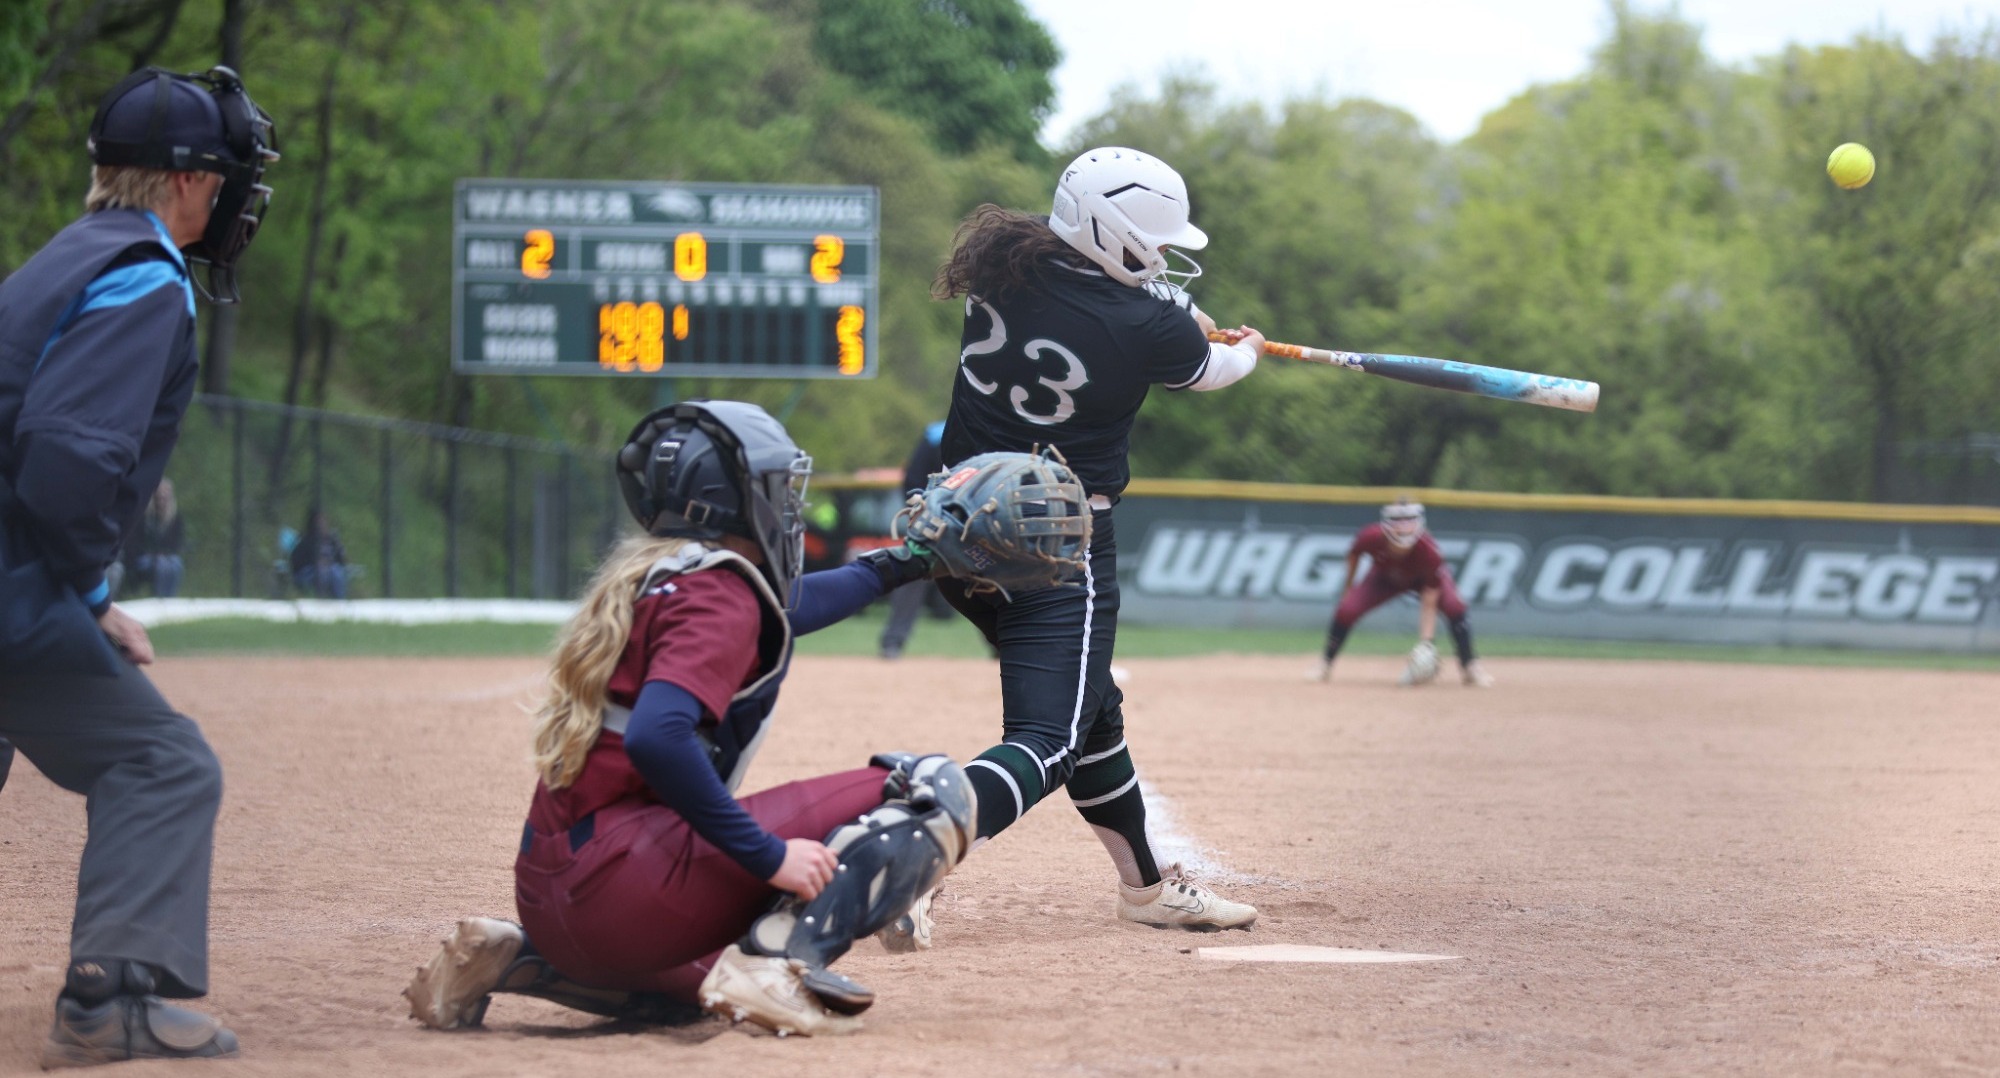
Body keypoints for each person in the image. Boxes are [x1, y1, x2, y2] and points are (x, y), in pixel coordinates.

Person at [403, 401, 977, 1038]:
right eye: (776, 488)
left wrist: (911, 560)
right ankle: (778, 967)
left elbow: (791, 605)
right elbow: (658, 735)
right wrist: (769, 857)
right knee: (933, 790)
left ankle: (518, 959)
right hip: (623, 889)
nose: (787, 504)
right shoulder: (719, 595)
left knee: (706, 989)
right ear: (732, 501)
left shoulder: (664, 576)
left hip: (556, 902)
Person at [0, 65, 276, 1067]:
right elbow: (66, 467)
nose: (241, 194)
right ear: (184, 182)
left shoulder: (69, 254)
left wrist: (87, 599)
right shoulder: (142, 275)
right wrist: (88, 592)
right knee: (161, 763)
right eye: (230, 174)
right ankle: (107, 1003)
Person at [929, 147, 1265, 930]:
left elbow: (1115, 306)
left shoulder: (1002, 262)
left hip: (952, 528)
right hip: (1057, 547)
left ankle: (1145, 889)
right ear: (1111, 233)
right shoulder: (1146, 323)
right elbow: (1209, 368)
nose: (1162, 252)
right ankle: (908, 848)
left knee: (1093, 710)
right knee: (1050, 737)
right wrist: (1244, 348)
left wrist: (1181, 318)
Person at [1311, 500, 1494, 687]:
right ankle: (1325, 664)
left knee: (1455, 606)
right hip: (1384, 577)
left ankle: (1471, 666)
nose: (1404, 526)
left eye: (1409, 520)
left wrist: (1426, 643)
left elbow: (1429, 599)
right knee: (1347, 609)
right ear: (1386, 523)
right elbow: (1354, 555)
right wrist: (1348, 588)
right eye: (1398, 520)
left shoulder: (1429, 551)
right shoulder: (1371, 536)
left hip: (1422, 581)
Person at [878, 420, 946, 659]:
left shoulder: (981, 428)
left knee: (992, 580)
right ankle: (893, 641)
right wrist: (922, 510)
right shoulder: (937, 435)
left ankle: (1002, 646)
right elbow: (914, 480)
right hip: (935, 516)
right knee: (913, 572)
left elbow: (912, 480)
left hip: (973, 518)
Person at [125, 479, 186, 597]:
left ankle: (171, 598)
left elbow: (177, 543)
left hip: (167, 557)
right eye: (160, 495)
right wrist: (155, 554)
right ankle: (160, 598)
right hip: (144, 558)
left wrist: (166, 553)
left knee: (176, 564)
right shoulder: (144, 518)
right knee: (161, 565)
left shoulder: (175, 518)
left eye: (165, 496)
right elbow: (134, 544)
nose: (162, 499)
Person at [289, 508, 347, 598]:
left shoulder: (331, 540)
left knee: (336, 572)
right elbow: (296, 561)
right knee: (321, 573)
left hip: (330, 570)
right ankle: (319, 602)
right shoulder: (305, 540)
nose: (322, 524)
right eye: (319, 521)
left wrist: (329, 562)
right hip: (309, 572)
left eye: (324, 520)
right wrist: (315, 563)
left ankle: (339, 603)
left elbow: (341, 559)